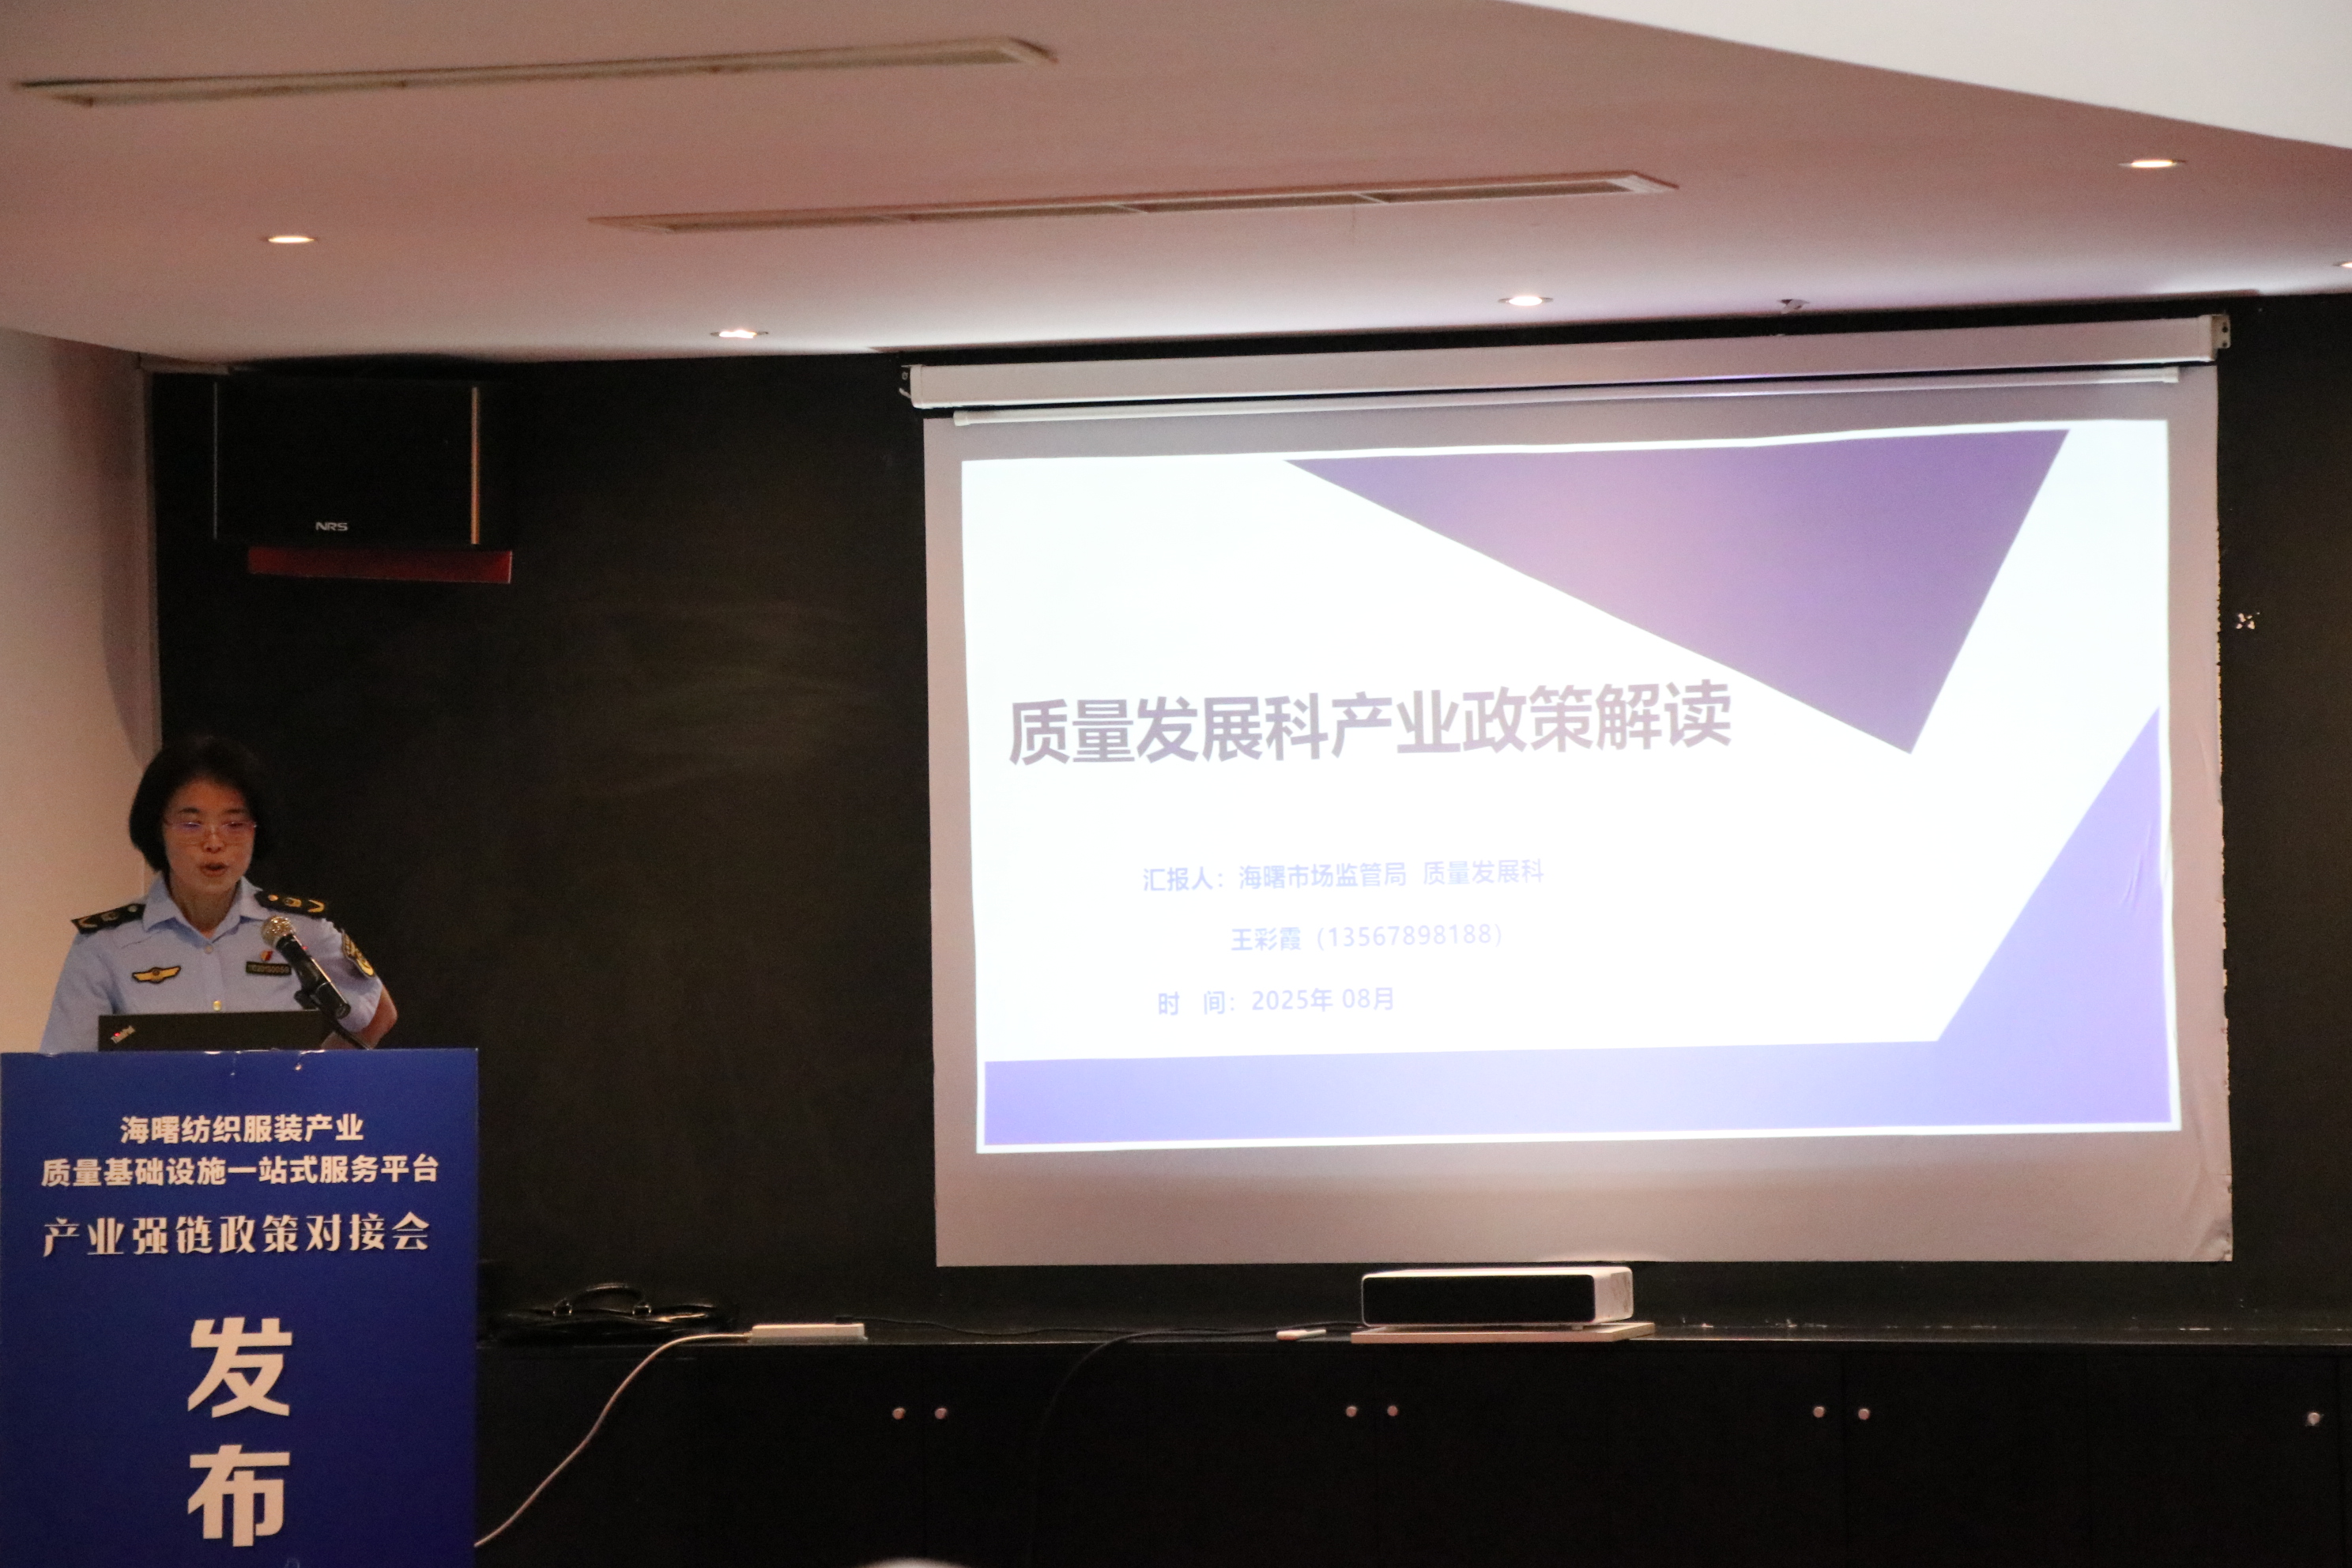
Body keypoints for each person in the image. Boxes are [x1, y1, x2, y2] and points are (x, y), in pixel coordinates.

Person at [39, 736, 396, 1054]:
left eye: (234, 824)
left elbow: (376, 1012)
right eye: (191, 824)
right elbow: (66, 1068)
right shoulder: (105, 945)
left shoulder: (294, 930)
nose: (214, 842)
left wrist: (309, 1076)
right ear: (158, 829)